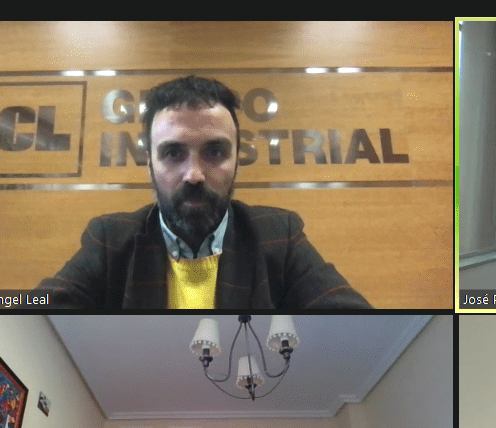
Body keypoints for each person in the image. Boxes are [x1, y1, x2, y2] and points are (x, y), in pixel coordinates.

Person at [36, 75, 371, 309]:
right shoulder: (110, 240)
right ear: (149, 164)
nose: (194, 175)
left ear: (236, 159)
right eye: (173, 153)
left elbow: (352, 316)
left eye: (214, 152)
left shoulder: (279, 237)